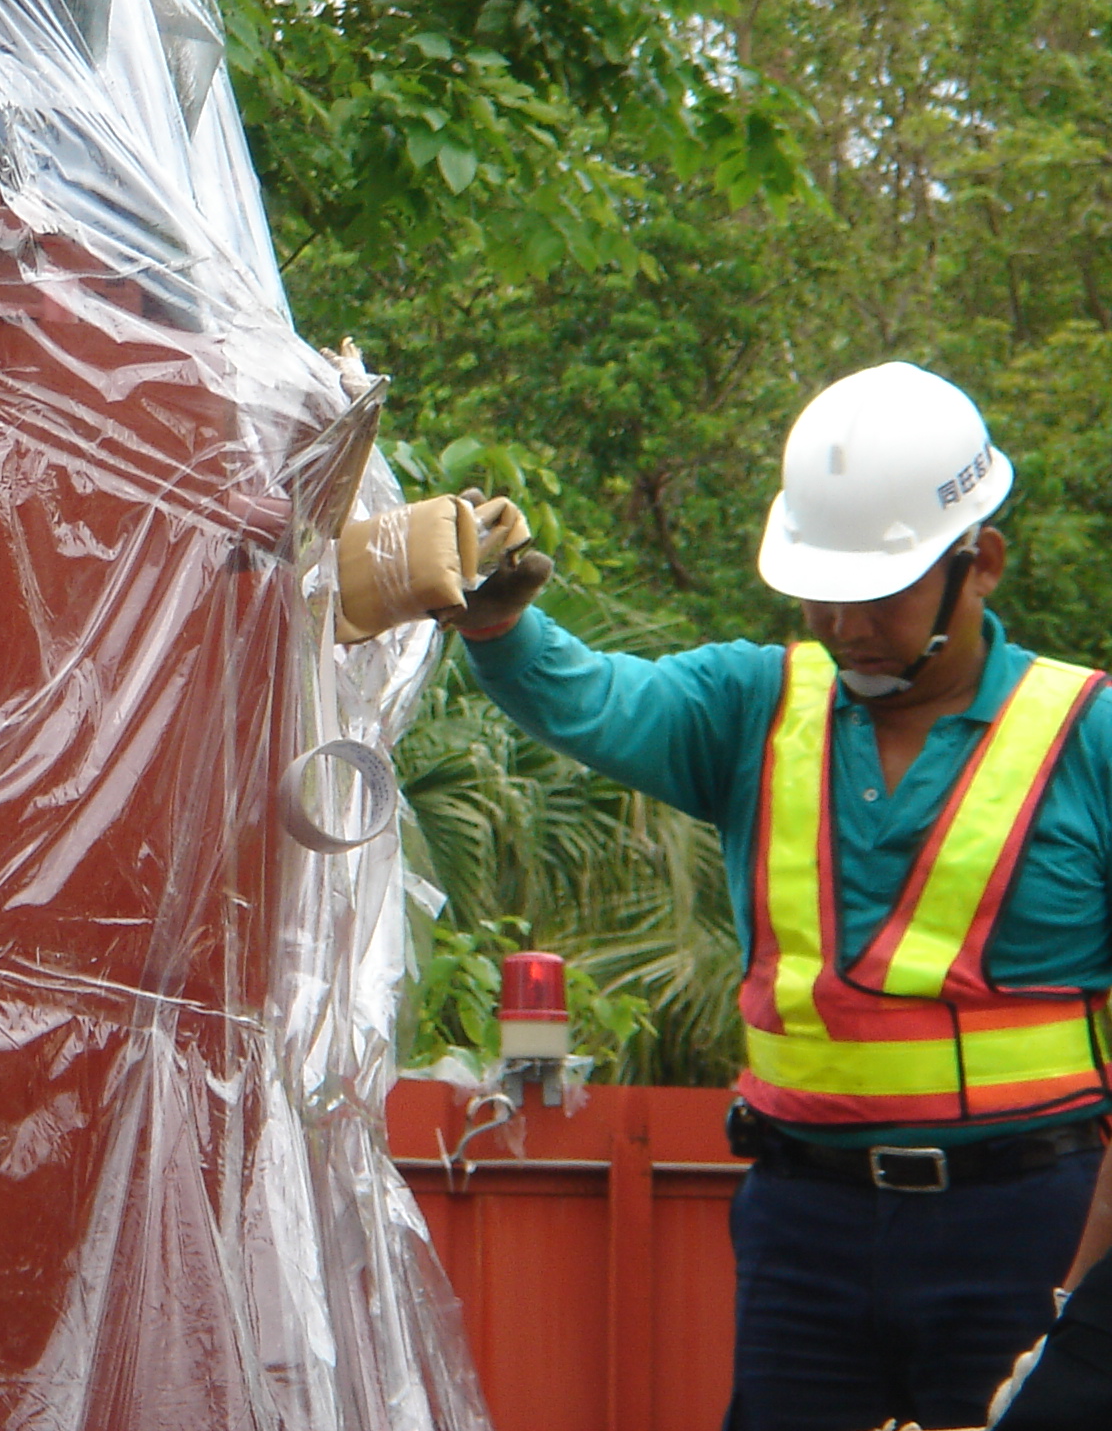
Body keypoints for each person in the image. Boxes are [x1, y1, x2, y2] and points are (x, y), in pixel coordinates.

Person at [444, 363, 1112, 1431]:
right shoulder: (753, 706)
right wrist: (498, 624)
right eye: (819, 588)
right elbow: (594, 699)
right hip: (805, 1224)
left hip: (1028, 1222)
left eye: (877, 592)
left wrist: (1093, 1300)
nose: (842, 622)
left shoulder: (1091, 736)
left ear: (979, 562)